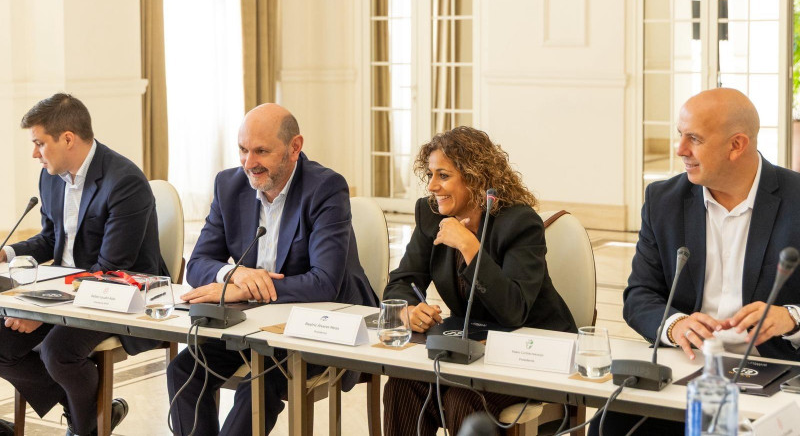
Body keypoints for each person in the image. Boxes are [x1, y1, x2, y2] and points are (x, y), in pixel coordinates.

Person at [595, 88, 800, 435]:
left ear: (737, 145)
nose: (680, 150)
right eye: (680, 135)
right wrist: (675, 325)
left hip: (776, 371)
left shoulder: (796, 200)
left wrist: (791, 318)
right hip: (686, 366)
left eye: (694, 139)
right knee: (610, 423)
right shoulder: (663, 200)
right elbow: (640, 295)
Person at [166, 103, 377, 435]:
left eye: (261, 151)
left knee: (259, 384)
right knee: (185, 370)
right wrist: (234, 275)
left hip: (318, 325)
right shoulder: (229, 185)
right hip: (251, 324)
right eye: (243, 150)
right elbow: (198, 263)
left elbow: (324, 283)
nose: (249, 163)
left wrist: (243, 290)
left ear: (295, 148)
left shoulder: (325, 188)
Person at [381, 126, 577, 436]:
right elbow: (402, 281)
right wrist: (407, 309)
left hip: (530, 349)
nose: (432, 186)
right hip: (469, 346)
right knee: (401, 386)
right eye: (430, 175)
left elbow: (513, 311)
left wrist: (471, 248)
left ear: (475, 179)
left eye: (443, 176)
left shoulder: (519, 223)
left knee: (463, 398)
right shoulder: (430, 215)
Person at [0, 93, 168, 436]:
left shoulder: (124, 182)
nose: (34, 154)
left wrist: (39, 307)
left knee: (57, 351)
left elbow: (110, 268)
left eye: (39, 143)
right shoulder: (51, 176)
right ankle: (90, 412)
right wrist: (7, 253)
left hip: (121, 294)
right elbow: (50, 239)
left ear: (67, 139)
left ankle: (84, 427)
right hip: (67, 288)